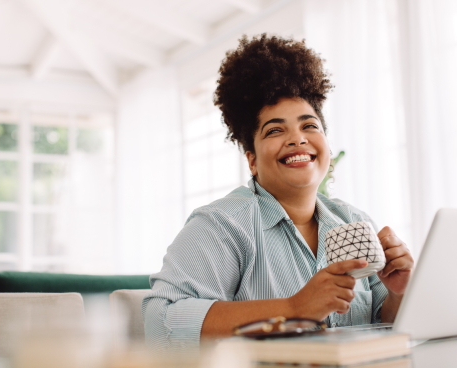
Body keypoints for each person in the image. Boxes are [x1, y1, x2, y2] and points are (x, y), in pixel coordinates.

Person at [142, 34, 414, 351]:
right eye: (275, 130)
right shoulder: (221, 226)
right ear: (252, 159)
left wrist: (399, 293)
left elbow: (386, 323)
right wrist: (293, 309)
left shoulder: (354, 222)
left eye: (309, 126)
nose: (297, 139)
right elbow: (160, 324)